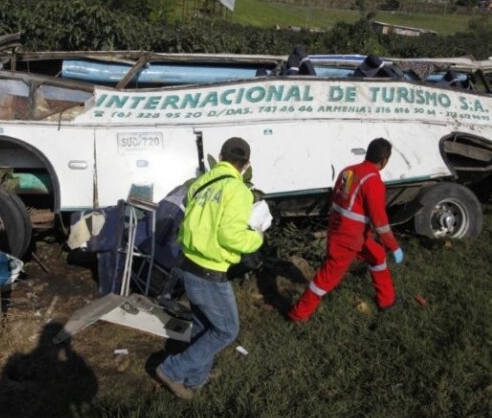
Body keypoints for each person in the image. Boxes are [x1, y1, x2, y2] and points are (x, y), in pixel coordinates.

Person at [155, 137, 267, 399]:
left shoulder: (202, 184)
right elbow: (231, 235)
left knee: (203, 325)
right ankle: (172, 370)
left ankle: (195, 379)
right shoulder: (238, 191)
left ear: (221, 156)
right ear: (246, 164)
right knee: (227, 330)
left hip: (188, 264)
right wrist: (257, 237)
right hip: (209, 272)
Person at [287, 138, 403, 322]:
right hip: (349, 239)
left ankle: (387, 300)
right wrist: (394, 247)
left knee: (377, 256)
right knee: (325, 280)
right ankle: (298, 314)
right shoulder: (373, 182)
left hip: (346, 232)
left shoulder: (348, 171)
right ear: (384, 161)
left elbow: (340, 201)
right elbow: (380, 222)